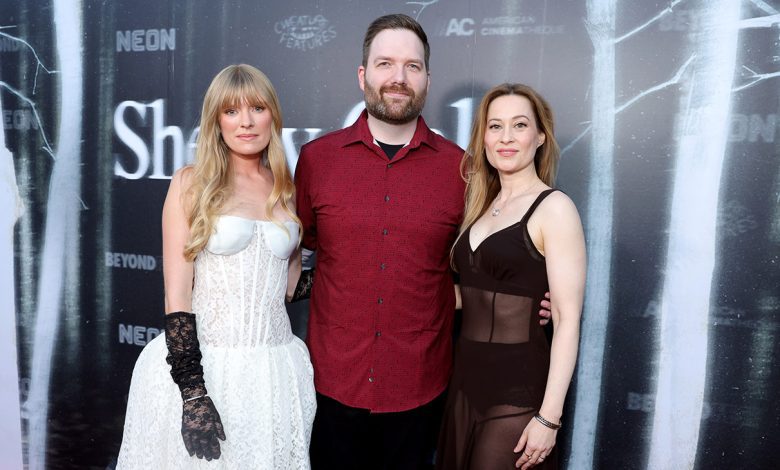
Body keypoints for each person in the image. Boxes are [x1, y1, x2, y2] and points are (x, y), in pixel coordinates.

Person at [294, 15, 551, 470]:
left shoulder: (464, 170)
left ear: (428, 79)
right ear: (363, 75)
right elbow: (302, 250)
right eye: (385, 64)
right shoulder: (317, 160)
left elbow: (484, 259)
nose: (398, 78)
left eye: (412, 66)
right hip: (331, 385)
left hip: (420, 388)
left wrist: (527, 299)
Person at [117, 64, 316, 469]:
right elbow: (177, 294)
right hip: (207, 370)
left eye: (257, 108)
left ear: (272, 116)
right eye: (231, 111)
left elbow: (291, 287)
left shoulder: (286, 189)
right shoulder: (191, 183)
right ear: (216, 121)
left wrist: (359, 275)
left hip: (275, 373)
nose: (245, 121)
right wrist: (193, 394)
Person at [435, 83, 586, 470]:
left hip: (517, 395)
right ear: (483, 137)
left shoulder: (554, 208)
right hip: (463, 387)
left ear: (539, 137)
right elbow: (470, 295)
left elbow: (568, 322)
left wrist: (548, 418)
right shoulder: (480, 207)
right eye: (494, 126)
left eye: (519, 126)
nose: (505, 137)